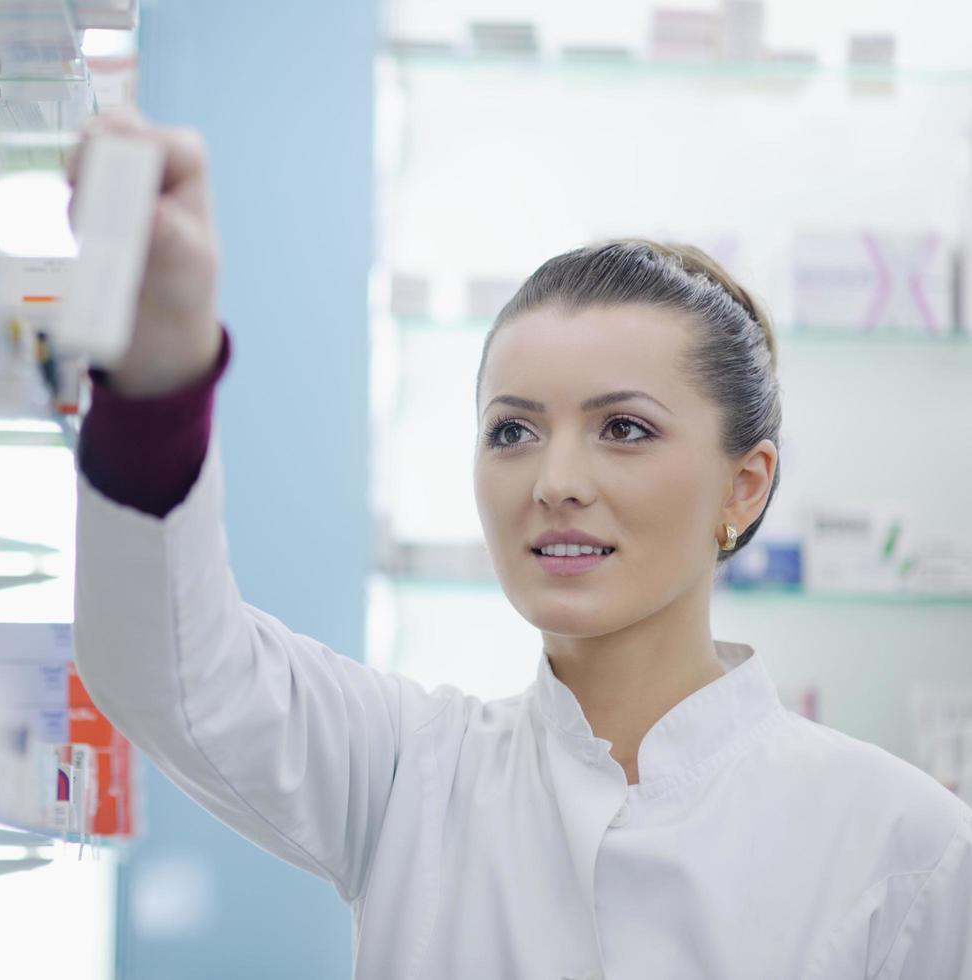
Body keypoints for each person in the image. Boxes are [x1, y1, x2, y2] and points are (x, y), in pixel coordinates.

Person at [68, 110, 972, 979]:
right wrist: (160, 373)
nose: (555, 482)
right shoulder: (406, 770)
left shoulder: (907, 847)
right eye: (513, 431)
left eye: (623, 428)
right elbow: (174, 670)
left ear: (745, 485)